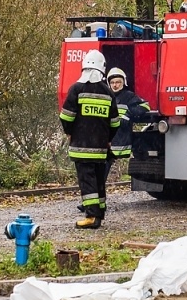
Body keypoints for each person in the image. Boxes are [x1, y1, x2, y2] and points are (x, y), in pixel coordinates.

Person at [60, 51, 120, 228]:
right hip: (101, 148)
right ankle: (99, 211)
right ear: (102, 69)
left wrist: (70, 132)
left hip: (81, 147)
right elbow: (115, 123)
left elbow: (66, 117)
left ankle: (92, 217)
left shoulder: (76, 89)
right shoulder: (108, 92)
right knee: (99, 179)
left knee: (87, 180)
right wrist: (107, 138)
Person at [104, 67, 153, 189]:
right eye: (113, 83)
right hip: (107, 140)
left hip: (122, 140)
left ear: (123, 82)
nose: (115, 85)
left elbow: (145, 106)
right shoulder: (105, 96)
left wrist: (129, 115)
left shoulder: (129, 96)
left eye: (118, 82)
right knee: (101, 172)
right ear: (108, 84)